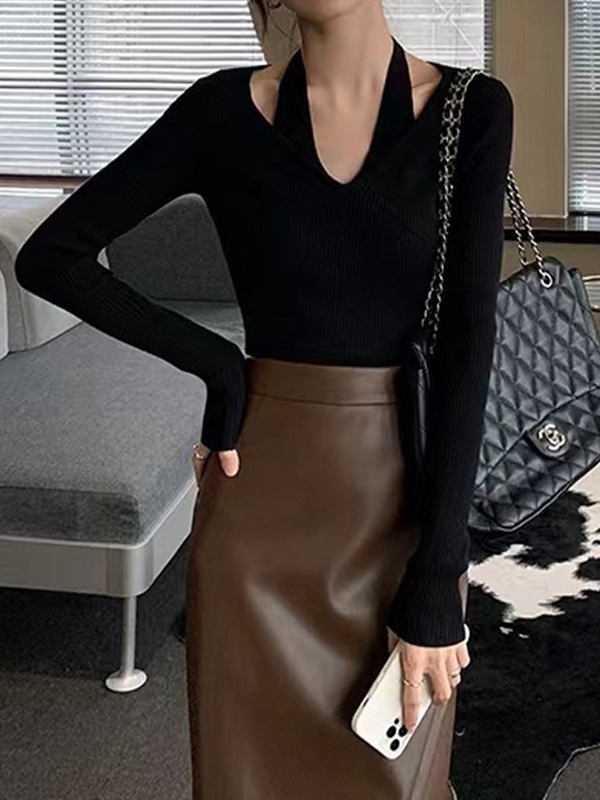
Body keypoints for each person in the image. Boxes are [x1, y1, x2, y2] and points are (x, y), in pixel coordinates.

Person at [14, 0, 514, 797]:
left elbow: (467, 343)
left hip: (402, 504)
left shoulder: (471, 109)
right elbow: (51, 256)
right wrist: (219, 365)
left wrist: (438, 575)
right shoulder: (221, 110)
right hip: (257, 514)